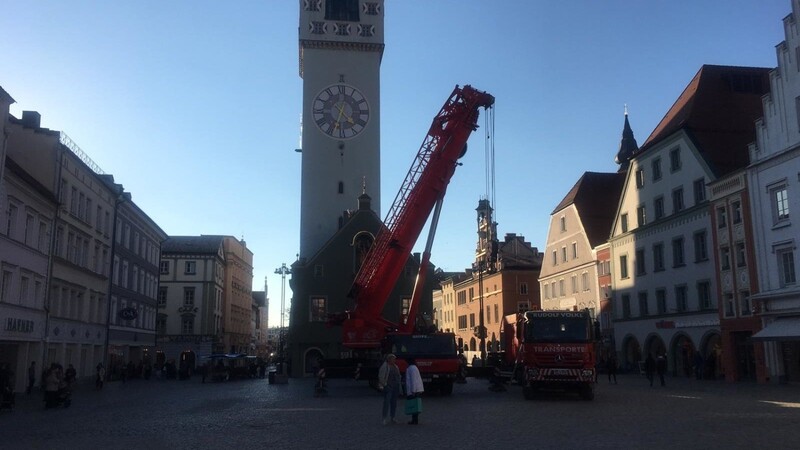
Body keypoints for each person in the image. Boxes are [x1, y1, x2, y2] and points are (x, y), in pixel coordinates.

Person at [378, 354, 401, 425]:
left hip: (395, 387)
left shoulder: (396, 366)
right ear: (389, 359)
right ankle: (384, 418)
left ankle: (392, 417)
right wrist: (385, 384)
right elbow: (381, 376)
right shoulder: (385, 366)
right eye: (392, 359)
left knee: (394, 403)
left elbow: (398, 375)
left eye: (394, 359)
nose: (394, 360)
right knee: (386, 402)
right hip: (388, 387)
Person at [404, 358, 424, 425]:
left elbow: (413, 380)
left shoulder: (411, 369)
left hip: (414, 390)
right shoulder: (414, 368)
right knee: (415, 405)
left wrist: (413, 390)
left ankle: (414, 420)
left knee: (413, 405)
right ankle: (415, 420)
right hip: (417, 389)